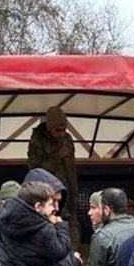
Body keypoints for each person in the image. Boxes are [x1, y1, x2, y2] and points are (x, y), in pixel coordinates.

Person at [28, 106, 80, 248]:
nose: (62, 133)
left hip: (68, 190)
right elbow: (35, 170)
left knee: (72, 227)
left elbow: (72, 168)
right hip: (49, 193)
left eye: (64, 129)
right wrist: (57, 156)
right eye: (58, 130)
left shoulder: (67, 139)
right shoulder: (37, 141)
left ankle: (73, 252)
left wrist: (74, 189)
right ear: (49, 127)